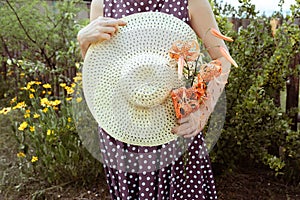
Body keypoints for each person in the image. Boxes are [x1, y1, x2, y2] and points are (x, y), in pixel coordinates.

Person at [77, 0, 231, 199]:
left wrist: (202, 112)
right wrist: (84, 41)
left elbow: (223, 59)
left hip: (174, 127)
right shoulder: (104, 3)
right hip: (122, 129)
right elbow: (100, 68)